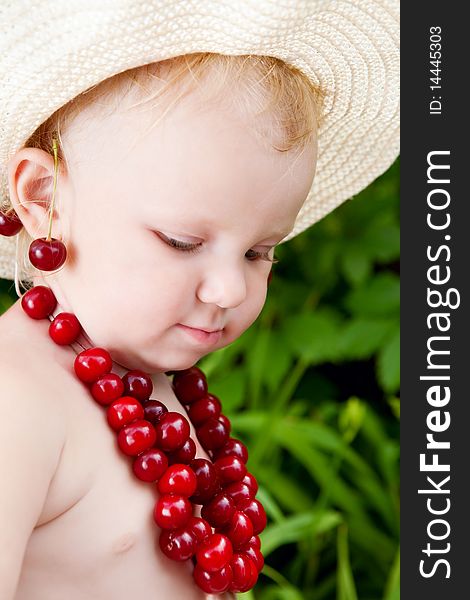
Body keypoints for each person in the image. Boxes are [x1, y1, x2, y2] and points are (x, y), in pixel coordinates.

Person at [0, 1, 399, 598]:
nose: (231, 289)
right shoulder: (19, 400)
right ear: (42, 196)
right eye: (183, 242)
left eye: (260, 251)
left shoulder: (148, 381)